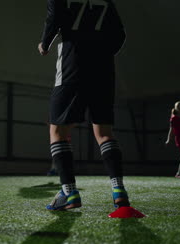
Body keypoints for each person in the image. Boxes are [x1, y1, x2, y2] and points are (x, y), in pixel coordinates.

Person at [38, 0, 142, 216]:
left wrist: (44, 43)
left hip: (73, 62)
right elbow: (120, 34)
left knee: (58, 131)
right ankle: (119, 192)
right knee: (104, 132)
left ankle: (70, 193)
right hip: (103, 67)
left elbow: (54, 18)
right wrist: (101, 52)